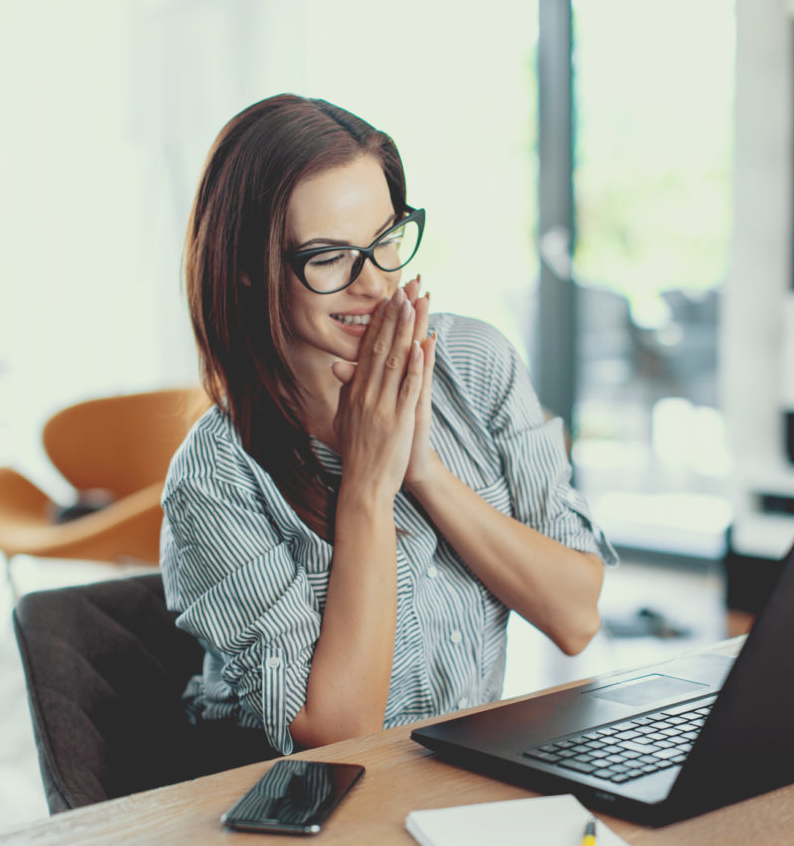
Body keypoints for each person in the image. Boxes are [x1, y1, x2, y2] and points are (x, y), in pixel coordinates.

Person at [162, 94, 617, 755]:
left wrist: (424, 471)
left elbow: (576, 615)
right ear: (244, 271)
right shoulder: (213, 479)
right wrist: (369, 487)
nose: (374, 283)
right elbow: (340, 741)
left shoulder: (477, 365)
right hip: (297, 818)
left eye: (385, 241)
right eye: (328, 257)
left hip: (457, 782)